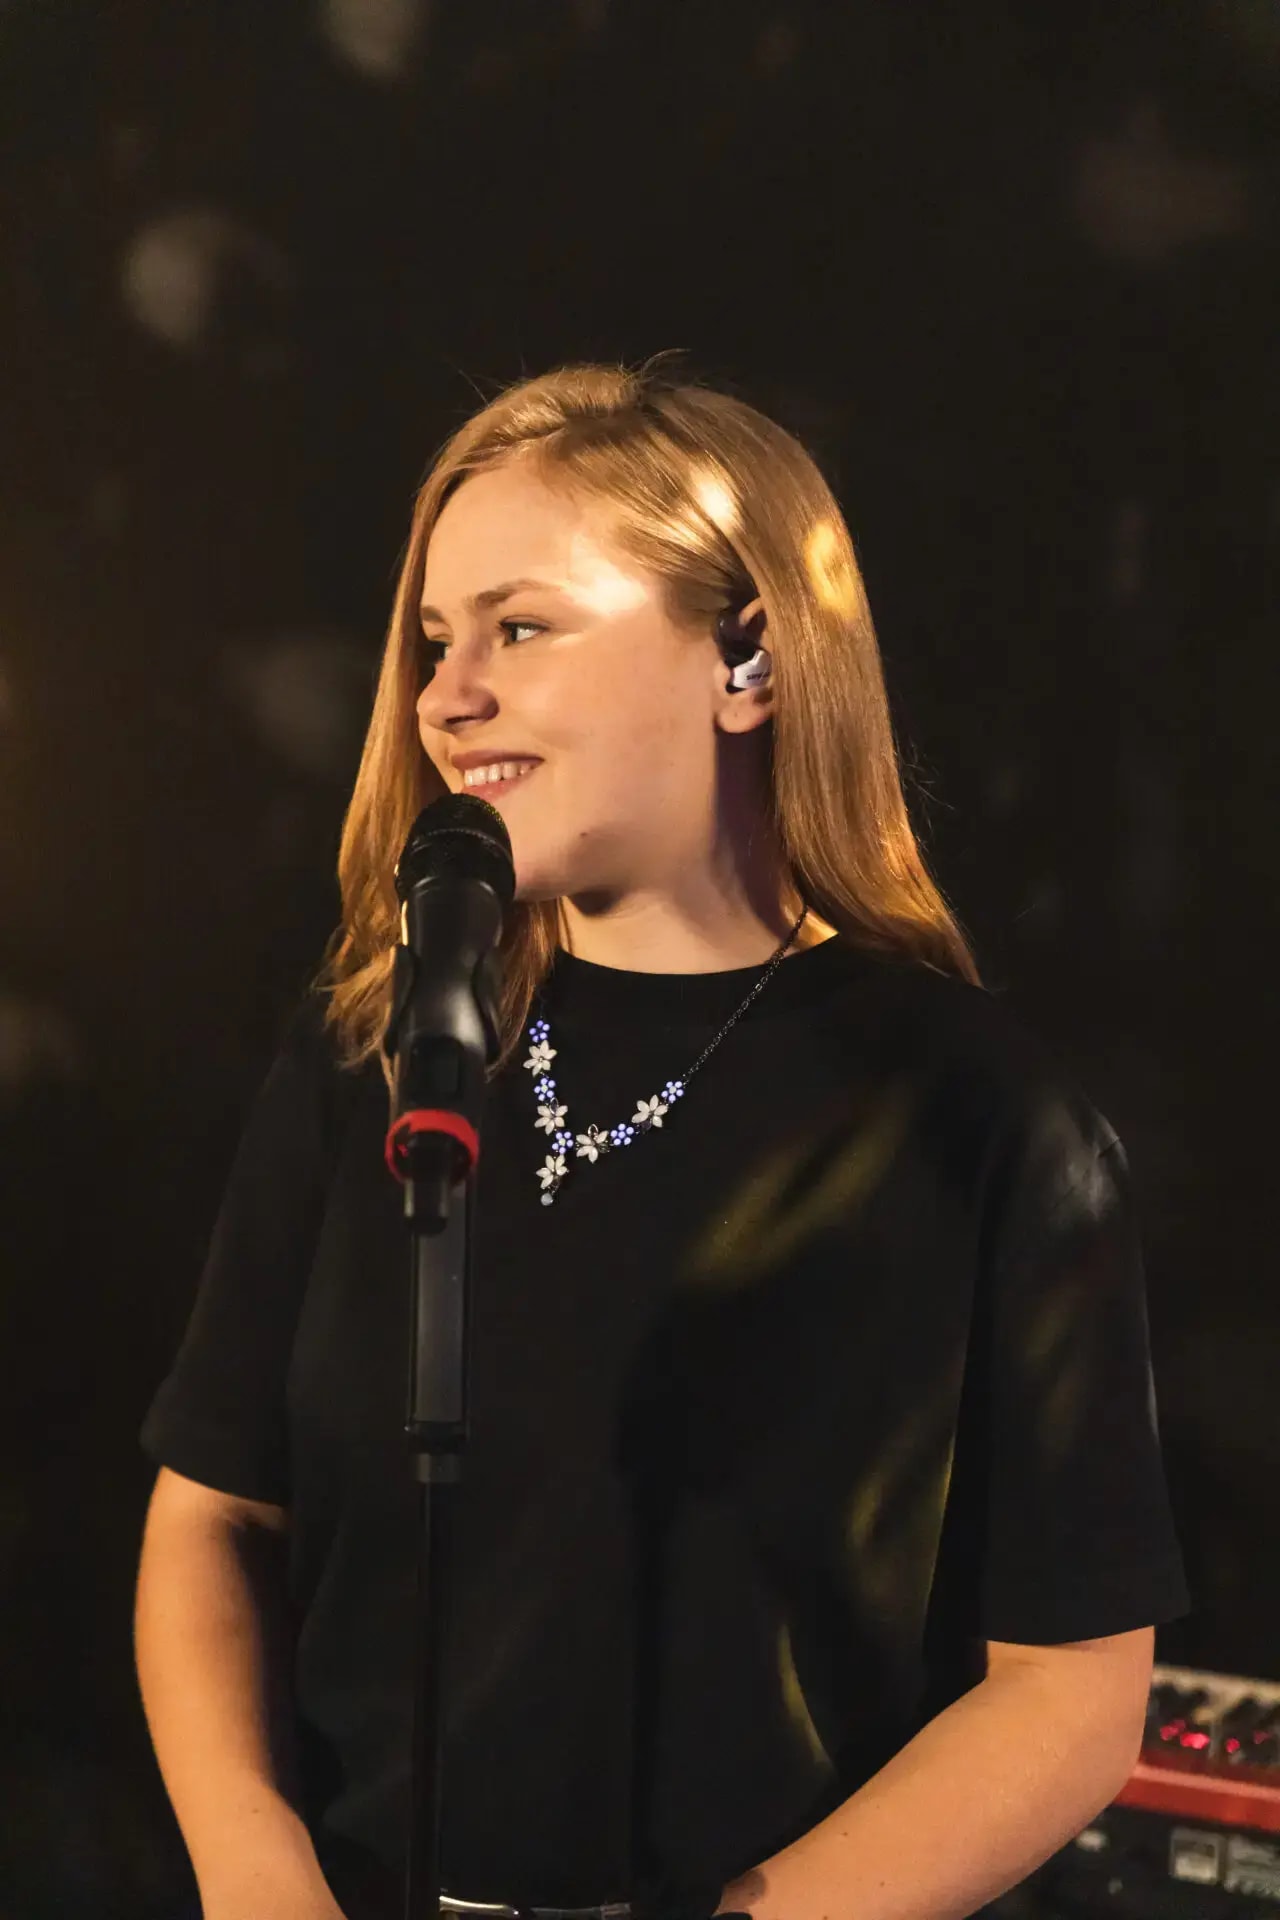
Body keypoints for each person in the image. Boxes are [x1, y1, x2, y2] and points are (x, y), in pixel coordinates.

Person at [134, 360, 1190, 1920]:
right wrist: (256, 1875)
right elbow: (214, 1515)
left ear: (748, 655)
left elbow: (1072, 1688)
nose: (445, 695)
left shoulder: (980, 1118)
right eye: (436, 638)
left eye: (522, 627)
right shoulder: (368, 1052)